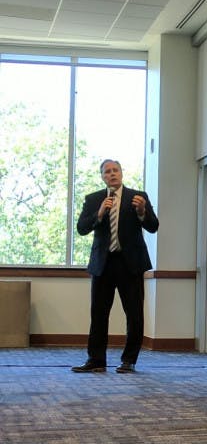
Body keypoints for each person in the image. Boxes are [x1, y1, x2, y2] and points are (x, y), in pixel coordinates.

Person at [72, 159, 159, 374]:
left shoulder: (138, 197)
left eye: (116, 170)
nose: (112, 174)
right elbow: (81, 228)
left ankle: (129, 360)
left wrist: (142, 212)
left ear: (121, 173)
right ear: (102, 176)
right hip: (103, 264)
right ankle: (96, 360)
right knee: (99, 314)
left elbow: (153, 226)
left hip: (130, 264)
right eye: (107, 172)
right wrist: (100, 213)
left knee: (134, 313)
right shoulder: (93, 199)